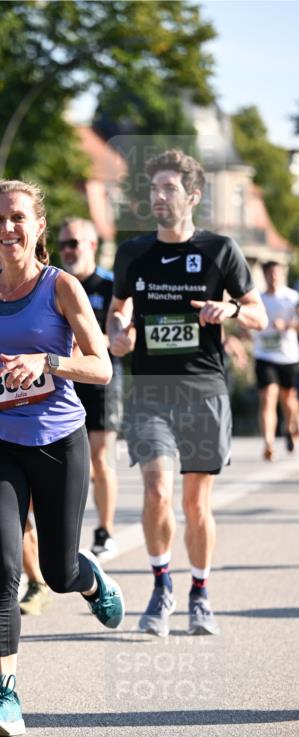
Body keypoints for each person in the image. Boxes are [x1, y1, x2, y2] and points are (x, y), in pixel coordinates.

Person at [0, 179, 124, 737]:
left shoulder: (61, 288)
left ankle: (92, 582)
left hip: (60, 440)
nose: (6, 229)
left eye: (17, 218)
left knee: (59, 572)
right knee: (4, 567)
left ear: (38, 227)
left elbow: (101, 367)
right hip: (0, 441)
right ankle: (5, 694)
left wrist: (48, 361)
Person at [107, 148, 267, 638]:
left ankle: (199, 590)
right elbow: (117, 314)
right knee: (157, 490)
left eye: (169, 188)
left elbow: (259, 314)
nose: (158, 196)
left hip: (203, 389)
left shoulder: (220, 250)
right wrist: (119, 334)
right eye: (153, 188)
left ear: (193, 195)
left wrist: (231, 312)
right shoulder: (133, 253)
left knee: (197, 504)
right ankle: (161, 585)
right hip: (150, 391)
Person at [18, 216, 122, 616]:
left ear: (93, 244)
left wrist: (109, 341)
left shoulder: (107, 286)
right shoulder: (49, 284)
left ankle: (104, 530)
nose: (70, 249)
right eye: (64, 244)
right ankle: (34, 578)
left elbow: (115, 334)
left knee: (99, 459)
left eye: (76, 242)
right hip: (47, 383)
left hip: (95, 385)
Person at [252, 261, 299, 459]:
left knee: (288, 400)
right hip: (264, 355)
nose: (273, 277)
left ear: (282, 274)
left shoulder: (292, 297)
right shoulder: (258, 299)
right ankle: (268, 442)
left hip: (288, 355)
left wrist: (287, 325)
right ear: (264, 275)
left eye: (277, 273)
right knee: (268, 397)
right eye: (270, 273)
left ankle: (290, 429)